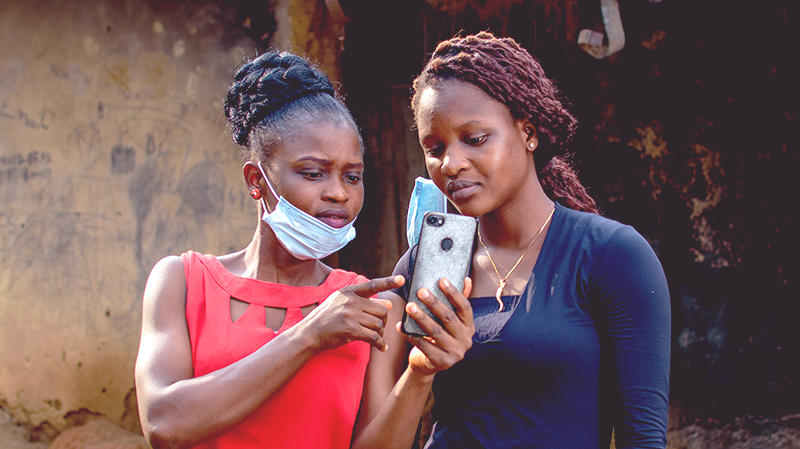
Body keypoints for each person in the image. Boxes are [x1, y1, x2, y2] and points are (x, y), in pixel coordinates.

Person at [133, 50, 473, 449]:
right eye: (313, 173)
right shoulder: (182, 282)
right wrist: (309, 334)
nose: (338, 193)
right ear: (256, 179)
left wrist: (420, 374)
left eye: (353, 176)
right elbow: (163, 424)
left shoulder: (374, 307)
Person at [389, 32, 672, 448]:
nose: (450, 163)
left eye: (475, 138)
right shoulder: (424, 266)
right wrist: (420, 371)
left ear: (529, 132)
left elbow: (642, 437)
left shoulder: (612, 257)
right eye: (434, 147)